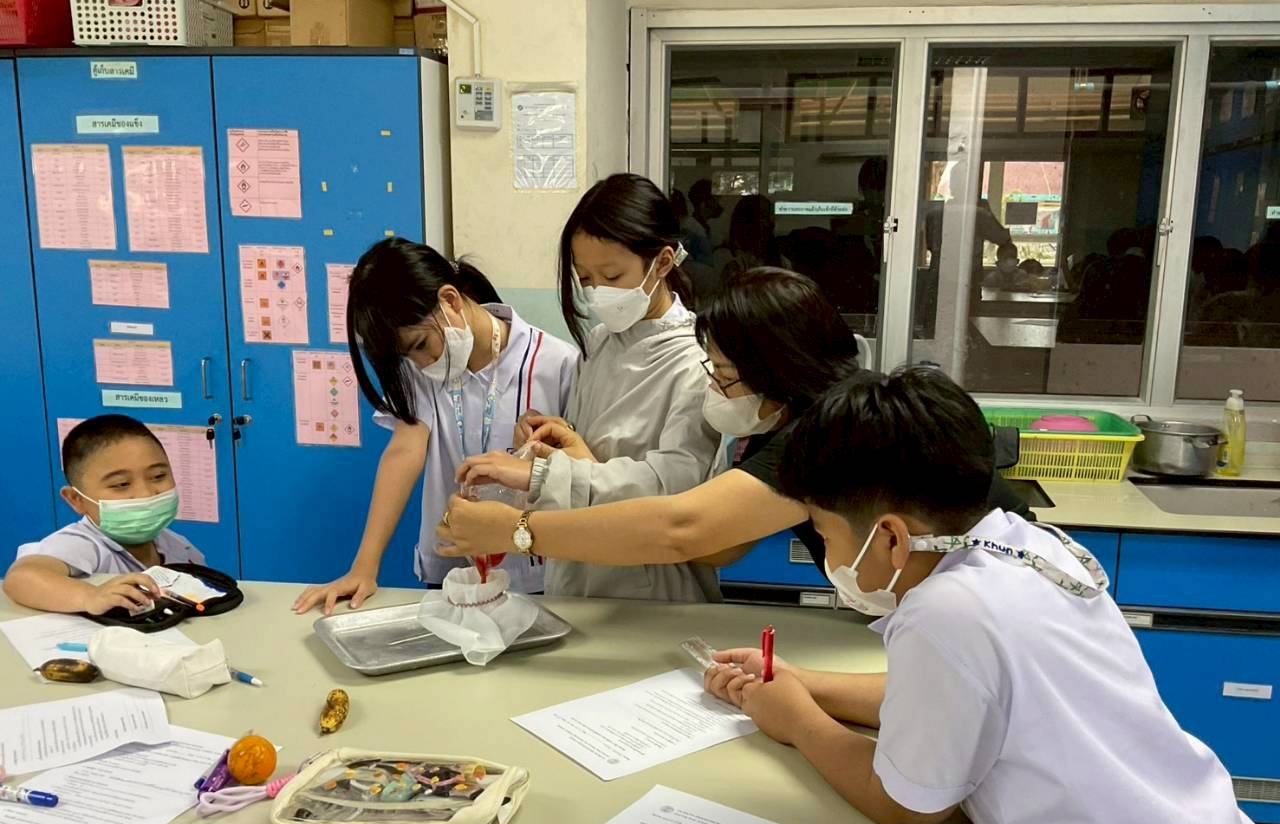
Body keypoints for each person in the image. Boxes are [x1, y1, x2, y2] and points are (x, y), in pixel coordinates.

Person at [701, 366, 1280, 824]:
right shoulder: (1026, 545)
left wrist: (797, 720)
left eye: (826, 534)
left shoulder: (946, 612)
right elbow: (965, 696)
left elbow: (906, 805)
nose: (829, 555)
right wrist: (803, 683)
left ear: (892, 538)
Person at [438, 268, 1028, 579]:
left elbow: (684, 529)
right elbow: (719, 547)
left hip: (989, 593)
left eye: (722, 373)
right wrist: (587, 471)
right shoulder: (777, 423)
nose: (714, 389)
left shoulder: (833, 430)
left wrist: (517, 529)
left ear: (775, 369)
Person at [451, 173, 724, 602]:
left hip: (652, 589)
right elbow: (589, 455)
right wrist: (552, 441)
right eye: (586, 278)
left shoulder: (696, 362)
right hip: (578, 571)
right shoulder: (600, 343)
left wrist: (543, 474)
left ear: (663, 262)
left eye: (612, 275)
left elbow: (671, 492)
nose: (598, 293)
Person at [293, 238, 577, 615]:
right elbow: (404, 451)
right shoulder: (421, 372)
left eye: (421, 344)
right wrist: (364, 566)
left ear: (450, 300)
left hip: (533, 566)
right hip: (453, 571)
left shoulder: (557, 363)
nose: (423, 362)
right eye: (408, 355)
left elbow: (582, 470)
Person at [4, 415, 204, 615]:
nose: (146, 493)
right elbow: (21, 578)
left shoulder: (181, 548)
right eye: (121, 484)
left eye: (158, 476)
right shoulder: (85, 544)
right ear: (77, 500)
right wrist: (89, 596)